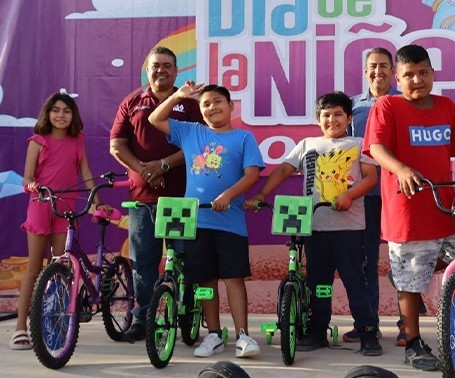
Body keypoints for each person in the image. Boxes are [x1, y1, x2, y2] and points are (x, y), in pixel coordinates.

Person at [364, 44, 455, 371]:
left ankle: (410, 278)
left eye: (423, 73)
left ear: (433, 73)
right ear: (397, 78)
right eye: (409, 75)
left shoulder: (447, 107)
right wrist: (401, 170)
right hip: (407, 211)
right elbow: (376, 147)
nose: (417, 80)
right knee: (412, 280)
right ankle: (413, 342)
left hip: (445, 208)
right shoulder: (387, 106)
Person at [246, 92, 381, 356]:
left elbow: (370, 178)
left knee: (355, 281)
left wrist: (349, 195)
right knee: (318, 283)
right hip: (315, 228)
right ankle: (318, 329)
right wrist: (262, 194)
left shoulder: (359, 144)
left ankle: (367, 332)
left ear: (349, 118)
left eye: (338, 114)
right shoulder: (307, 144)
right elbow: (284, 170)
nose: (332, 120)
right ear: (318, 119)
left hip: (350, 230)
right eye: (326, 115)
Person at [148, 82, 265, 358]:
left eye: (218, 102)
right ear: (200, 111)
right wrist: (178, 96)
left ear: (231, 106)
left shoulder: (244, 137)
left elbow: (252, 175)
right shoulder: (190, 131)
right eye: (206, 104)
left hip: (231, 223)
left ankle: (243, 336)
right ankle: (213, 334)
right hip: (197, 222)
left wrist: (228, 195)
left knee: (234, 278)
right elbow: (155, 119)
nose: (212, 107)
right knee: (205, 281)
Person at [109, 46, 203, 342]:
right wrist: (145, 170)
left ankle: (185, 315)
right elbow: (117, 145)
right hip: (142, 199)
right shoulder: (132, 102)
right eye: (155, 65)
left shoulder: (190, 103)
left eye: (167, 65)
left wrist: (163, 165)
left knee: (184, 260)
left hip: (181, 198)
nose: (160, 70)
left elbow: (200, 144)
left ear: (176, 71)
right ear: (147, 71)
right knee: (144, 263)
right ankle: (143, 319)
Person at [10, 93, 103, 350]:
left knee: (61, 265)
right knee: (34, 268)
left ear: (73, 115)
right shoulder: (37, 141)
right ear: (47, 114)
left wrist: (97, 202)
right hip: (41, 205)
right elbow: (27, 178)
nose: (61, 115)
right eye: (56, 110)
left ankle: (55, 323)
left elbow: (86, 174)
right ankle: (20, 328)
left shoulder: (77, 141)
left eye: (66, 111)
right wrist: (33, 185)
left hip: (66, 208)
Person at [344, 47, 408, 347]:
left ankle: (408, 325)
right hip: (366, 195)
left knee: (403, 260)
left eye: (384, 65)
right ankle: (368, 323)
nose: (377, 71)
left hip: (399, 193)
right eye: (372, 66)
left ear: (393, 71)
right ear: (365, 70)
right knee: (366, 261)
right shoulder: (352, 106)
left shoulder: (404, 102)